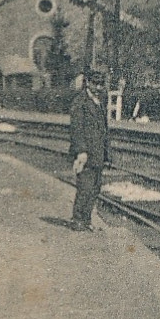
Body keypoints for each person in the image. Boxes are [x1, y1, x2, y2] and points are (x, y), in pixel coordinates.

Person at [67, 71, 111, 231]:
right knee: (85, 187)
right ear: (88, 83)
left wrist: (107, 154)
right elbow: (77, 129)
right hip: (86, 153)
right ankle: (77, 219)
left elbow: (103, 130)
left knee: (95, 188)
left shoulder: (99, 101)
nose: (99, 87)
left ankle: (86, 219)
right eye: (95, 83)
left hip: (98, 152)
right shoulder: (80, 102)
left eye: (101, 84)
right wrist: (81, 151)